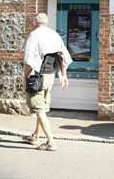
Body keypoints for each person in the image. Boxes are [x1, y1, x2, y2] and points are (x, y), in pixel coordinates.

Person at [22, 13, 72, 151]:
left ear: (34, 22)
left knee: (38, 109)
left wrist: (25, 75)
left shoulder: (34, 35)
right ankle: (35, 136)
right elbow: (62, 56)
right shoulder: (54, 35)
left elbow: (29, 62)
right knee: (42, 108)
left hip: (37, 77)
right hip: (50, 76)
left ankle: (51, 142)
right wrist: (63, 75)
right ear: (47, 22)